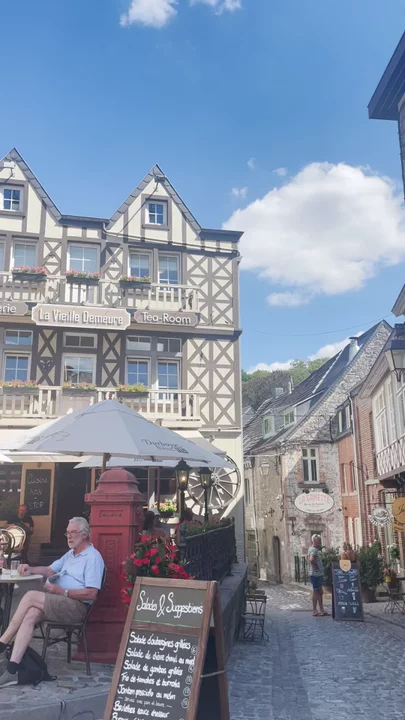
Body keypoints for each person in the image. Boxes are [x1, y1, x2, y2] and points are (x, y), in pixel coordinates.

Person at [0, 516, 104, 688]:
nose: (69, 536)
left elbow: (92, 593)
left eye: (73, 532)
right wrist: (30, 568)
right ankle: (12, 670)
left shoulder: (92, 557)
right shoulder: (70, 554)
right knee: (31, 614)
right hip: (60, 601)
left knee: (31, 596)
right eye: (67, 533)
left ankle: (3, 642)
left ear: (85, 534)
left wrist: (63, 592)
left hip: (75, 606)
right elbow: (49, 570)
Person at [308, 534, 327, 617]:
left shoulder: (311, 549)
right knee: (317, 591)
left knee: (318, 591)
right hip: (316, 574)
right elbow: (311, 559)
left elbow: (307, 557)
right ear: (314, 541)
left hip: (315, 574)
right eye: (318, 541)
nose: (320, 542)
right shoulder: (314, 550)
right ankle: (317, 609)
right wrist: (316, 566)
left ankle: (318, 609)